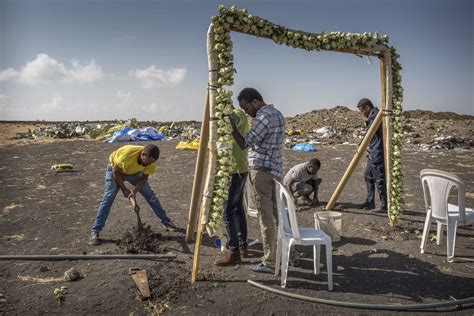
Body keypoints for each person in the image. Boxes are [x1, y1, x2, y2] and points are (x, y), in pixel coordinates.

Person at [230, 87, 285, 273]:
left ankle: (270, 261)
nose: (247, 113)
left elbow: (246, 143)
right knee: (278, 215)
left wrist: (232, 129)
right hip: (275, 170)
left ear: (255, 102)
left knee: (266, 217)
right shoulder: (277, 113)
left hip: (262, 172)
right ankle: (284, 254)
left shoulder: (263, 117)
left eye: (247, 109)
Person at [89, 144, 177, 245]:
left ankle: (166, 221)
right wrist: (124, 189)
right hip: (117, 170)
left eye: (152, 162)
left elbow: (143, 178)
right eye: (148, 161)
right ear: (143, 154)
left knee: (150, 195)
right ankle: (95, 231)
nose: (149, 164)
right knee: (108, 197)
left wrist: (134, 192)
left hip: (134, 172)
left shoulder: (151, 163)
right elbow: (115, 171)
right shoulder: (127, 155)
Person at [214, 107, 251, 266]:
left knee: (227, 210)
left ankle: (234, 251)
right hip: (241, 167)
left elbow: (230, 123)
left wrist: (220, 116)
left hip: (234, 170)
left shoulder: (234, 115)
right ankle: (242, 244)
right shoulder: (241, 115)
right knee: (237, 208)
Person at [356, 98, 387, 214]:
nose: (362, 114)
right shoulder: (373, 116)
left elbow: (369, 133)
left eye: (362, 111)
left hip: (377, 152)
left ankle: (384, 206)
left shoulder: (375, 117)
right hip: (372, 153)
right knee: (368, 175)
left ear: (368, 108)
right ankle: (370, 201)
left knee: (379, 179)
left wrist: (361, 145)